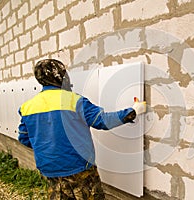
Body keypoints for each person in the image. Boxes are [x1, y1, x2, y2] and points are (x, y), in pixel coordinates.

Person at [17, 59, 146, 200]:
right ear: (61, 75)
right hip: (79, 168)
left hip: (49, 170)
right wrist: (133, 111)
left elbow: (24, 138)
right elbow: (103, 121)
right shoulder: (75, 101)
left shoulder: (27, 107)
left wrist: (48, 149)